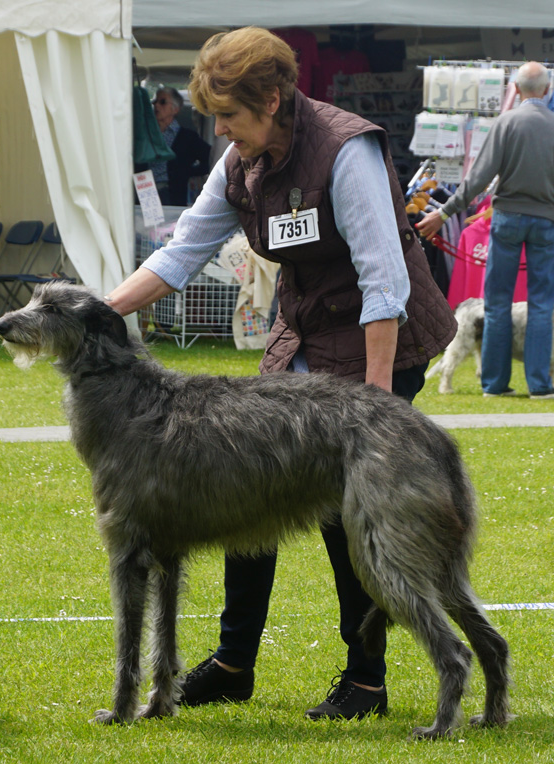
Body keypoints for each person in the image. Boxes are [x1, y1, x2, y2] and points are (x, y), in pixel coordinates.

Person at [104, 27, 456, 721]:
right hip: (305, 331)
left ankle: (365, 681)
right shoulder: (241, 159)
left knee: (349, 519)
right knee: (243, 481)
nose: (221, 131)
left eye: (229, 115)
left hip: (378, 336)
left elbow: (384, 283)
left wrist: (378, 406)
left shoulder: (344, 150)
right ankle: (235, 662)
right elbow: (180, 256)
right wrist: (99, 311)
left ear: (272, 98)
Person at [417, 61, 554, 399]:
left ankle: (494, 384)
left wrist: (444, 213)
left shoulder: (505, 123)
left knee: (496, 303)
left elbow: (477, 178)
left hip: (506, 218)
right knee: (542, 304)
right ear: (548, 90)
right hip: (546, 220)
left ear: (516, 90)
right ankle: (540, 385)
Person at [151, 86, 211, 206]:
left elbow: (209, 160)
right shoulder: (147, 134)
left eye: (162, 102)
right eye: (155, 101)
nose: (156, 105)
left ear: (175, 109)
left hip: (171, 194)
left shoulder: (188, 137)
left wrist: (185, 172)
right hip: (145, 192)